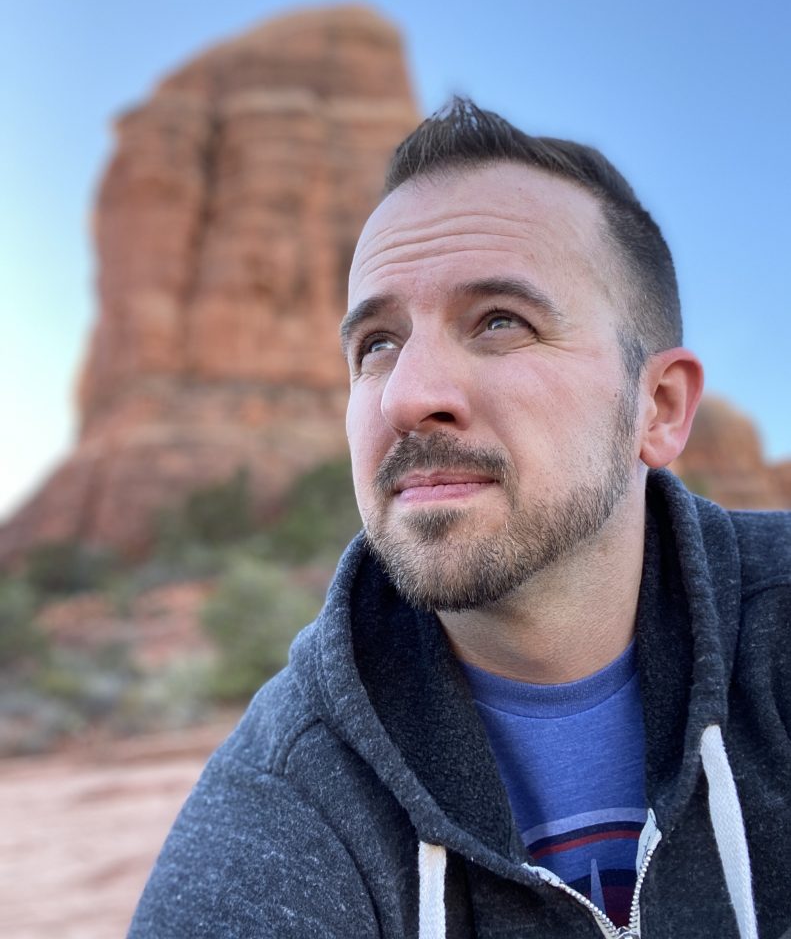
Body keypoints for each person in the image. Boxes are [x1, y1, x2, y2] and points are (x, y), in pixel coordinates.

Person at [128, 99, 791, 939]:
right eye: (376, 343)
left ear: (657, 407)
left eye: (499, 322)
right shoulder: (296, 784)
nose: (408, 395)